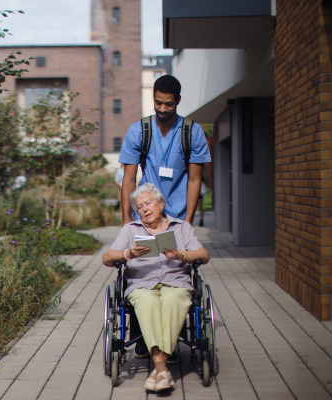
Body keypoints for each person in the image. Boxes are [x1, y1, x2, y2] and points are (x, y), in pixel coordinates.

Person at [118, 75, 211, 361]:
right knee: (142, 270)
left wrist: (188, 220)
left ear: (178, 102)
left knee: (174, 272)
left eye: (168, 104)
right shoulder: (139, 131)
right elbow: (129, 179)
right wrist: (126, 222)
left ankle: (171, 334)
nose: (162, 108)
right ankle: (145, 338)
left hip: (178, 214)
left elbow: (195, 179)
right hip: (145, 215)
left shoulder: (191, 132)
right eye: (158, 102)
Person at [102, 183, 209, 392]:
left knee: (172, 299)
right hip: (142, 284)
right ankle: (162, 369)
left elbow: (203, 255)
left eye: (148, 203)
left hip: (176, 282)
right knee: (148, 301)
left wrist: (180, 255)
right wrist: (127, 254)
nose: (144, 209)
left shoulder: (181, 228)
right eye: (139, 207)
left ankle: (158, 371)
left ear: (161, 203)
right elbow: (107, 258)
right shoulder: (131, 230)